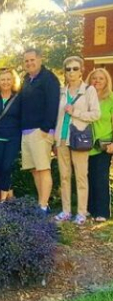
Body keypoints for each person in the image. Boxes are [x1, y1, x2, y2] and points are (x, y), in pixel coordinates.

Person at [54, 57, 100, 225]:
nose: (71, 72)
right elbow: (56, 117)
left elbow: (96, 114)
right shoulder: (61, 91)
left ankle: (81, 212)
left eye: (75, 68)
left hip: (79, 138)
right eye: (68, 69)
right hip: (62, 139)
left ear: (82, 70)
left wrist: (76, 113)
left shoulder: (89, 90)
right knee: (64, 176)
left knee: (81, 176)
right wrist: (55, 139)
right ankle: (66, 211)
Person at [20, 48, 60, 213]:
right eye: (26, 61)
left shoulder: (49, 78)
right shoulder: (26, 79)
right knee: (35, 169)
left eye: (32, 59)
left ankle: (43, 206)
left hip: (41, 131)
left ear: (40, 59)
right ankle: (41, 204)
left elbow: (53, 104)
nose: (29, 63)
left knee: (43, 169)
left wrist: (46, 128)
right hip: (26, 131)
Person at [0, 67, 22, 202]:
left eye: (8, 79)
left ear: (13, 81)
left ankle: (2, 202)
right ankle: (11, 195)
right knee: (1, 167)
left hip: (13, 138)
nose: (5, 82)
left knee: (7, 166)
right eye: (3, 79)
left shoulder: (19, 98)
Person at [87, 68, 113, 222]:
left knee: (101, 178)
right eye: (94, 78)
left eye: (101, 78)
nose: (97, 81)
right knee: (88, 177)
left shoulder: (111, 99)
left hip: (104, 145)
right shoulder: (85, 98)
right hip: (85, 144)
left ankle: (102, 211)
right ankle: (90, 209)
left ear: (106, 81)